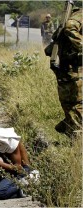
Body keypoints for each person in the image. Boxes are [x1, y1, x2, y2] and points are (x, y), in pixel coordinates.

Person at [51, 7, 82, 138]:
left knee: (72, 102)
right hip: (69, 67)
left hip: (70, 67)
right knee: (76, 102)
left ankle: (68, 127)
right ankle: (76, 135)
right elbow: (70, 27)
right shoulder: (80, 15)